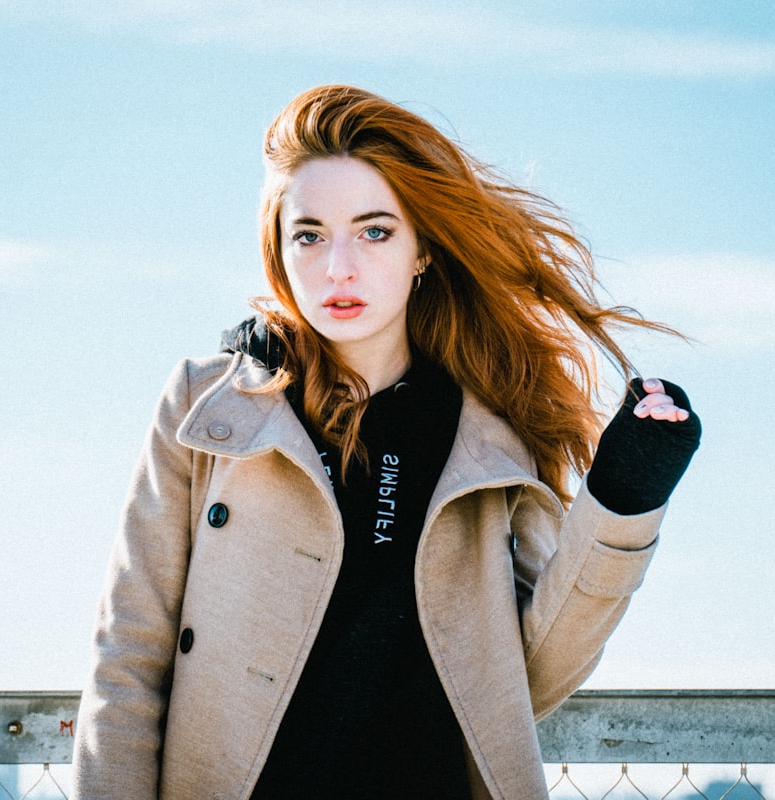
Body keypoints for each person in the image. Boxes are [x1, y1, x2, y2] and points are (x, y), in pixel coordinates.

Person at [72, 84, 701, 799]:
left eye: (375, 231)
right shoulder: (210, 407)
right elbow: (127, 657)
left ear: (422, 250)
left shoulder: (488, 434)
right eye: (309, 234)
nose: (339, 266)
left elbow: (523, 681)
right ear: (277, 249)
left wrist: (625, 492)